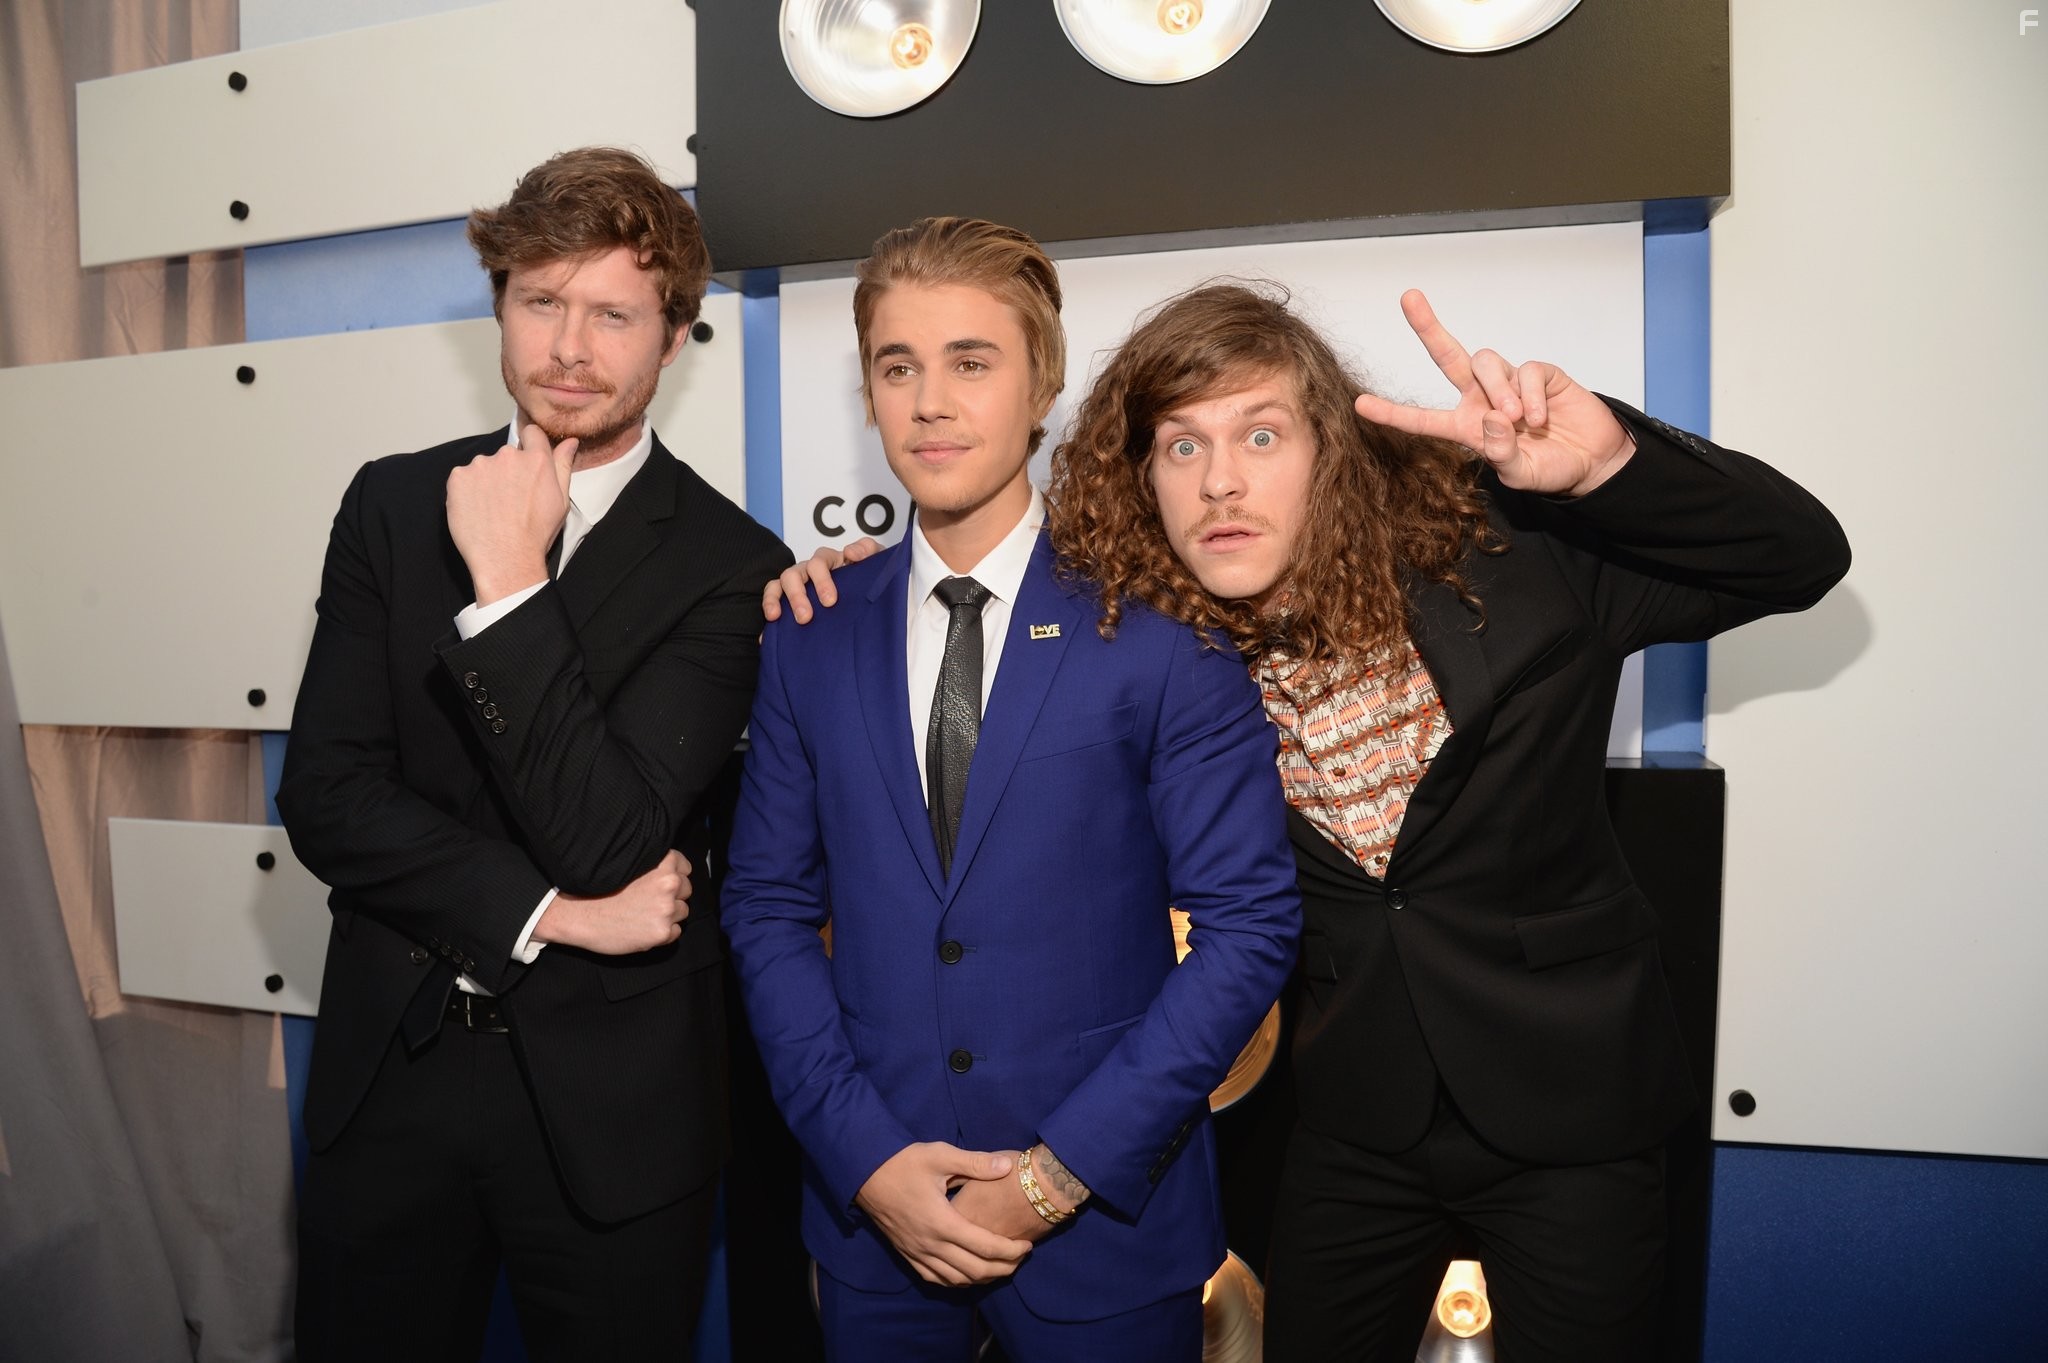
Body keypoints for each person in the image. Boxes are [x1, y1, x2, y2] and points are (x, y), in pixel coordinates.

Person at [770, 280, 1851, 1362]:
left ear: (1330, 450)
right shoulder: (1163, 641)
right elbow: (977, 630)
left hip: (1572, 1111)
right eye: (1181, 447)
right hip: (1354, 1124)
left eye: (1260, 433)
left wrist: (1610, 467)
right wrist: (871, 589)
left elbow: (1798, 559)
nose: (1221, 481)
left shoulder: (1514, 561)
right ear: (1141, 479)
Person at [720, 219, 1301, 1363]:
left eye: (970, 361)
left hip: (1105, 1226)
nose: (929, 401)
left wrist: (1049, 1178)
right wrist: (866, 1160)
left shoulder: (1159, 630)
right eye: (898, 366)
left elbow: (1247, 928)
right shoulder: (808, 634)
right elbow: (766, 909)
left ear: (1039, 385)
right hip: (876, 1223)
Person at [277, 146, 791, 1362]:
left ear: (672, 341)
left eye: (612, 314)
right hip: (390, 1078)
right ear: (497, 307)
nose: (569, 346)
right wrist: (558, 913)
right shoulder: (392, 507)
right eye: (538, 301)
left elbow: (613, 832)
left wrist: (508, 587)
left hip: (614, 1106)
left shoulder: (731, 565)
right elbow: (328, 796)